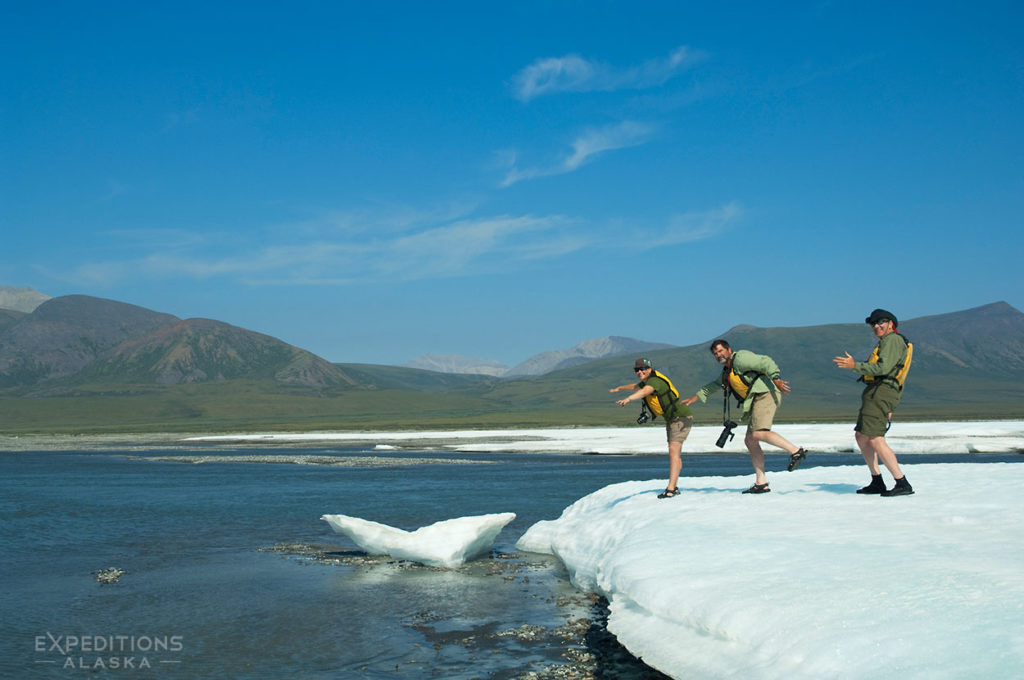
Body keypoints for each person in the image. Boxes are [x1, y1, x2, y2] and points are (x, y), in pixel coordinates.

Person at [682, 340, 809, 494]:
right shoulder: (727, 372)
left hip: (765, 393)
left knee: (758, 433)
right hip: (756, 399)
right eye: (715, 353)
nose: (718, 355)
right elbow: (714, 385)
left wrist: (776, 378)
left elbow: (766, 361)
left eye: (721, 351)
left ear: (729, 350)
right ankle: (761, 483)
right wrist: (694, 398)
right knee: (750, 440)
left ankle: (796, 451)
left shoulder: (741, 359)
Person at [833, 308, 914, 496]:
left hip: (881, 391)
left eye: (880, 322)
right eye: (873, 324)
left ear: (890, 324)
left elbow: (883, 367)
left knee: (876, 438)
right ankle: (877, 480)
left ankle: (902, 483)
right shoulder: (887, 341)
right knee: (861, 436)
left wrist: (855, 366)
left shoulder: (892, 340)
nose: (876, 326)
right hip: (876, 391)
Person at [610, 358, 694, 499]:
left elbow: (644, 392)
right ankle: (674, 485)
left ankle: (671, 489)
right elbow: (636, 387)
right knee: (675, 453)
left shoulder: (654, 381)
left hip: (681, 418)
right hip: (674, 419)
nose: (640, 372)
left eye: (643, 369)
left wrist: (628, 399)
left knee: (673, 451)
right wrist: (619, 388)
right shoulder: (646, 381)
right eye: (637, 370)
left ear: (650, 369)